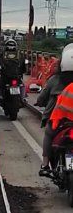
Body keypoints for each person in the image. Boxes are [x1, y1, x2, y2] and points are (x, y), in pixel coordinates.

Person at [36, 43, 73, 176]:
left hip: (58, 121)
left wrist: (39, 102)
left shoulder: (54, 80)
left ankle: (45, 164)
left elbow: (41, 98)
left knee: (48, 134)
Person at [0, 39, 26, 104]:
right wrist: (21, 72)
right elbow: (23, 67)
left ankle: (0, 97)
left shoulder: (2, 55)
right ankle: (23, 98)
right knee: (22, 85)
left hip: (5, 77)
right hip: (17, 77)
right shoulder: (20, 55)